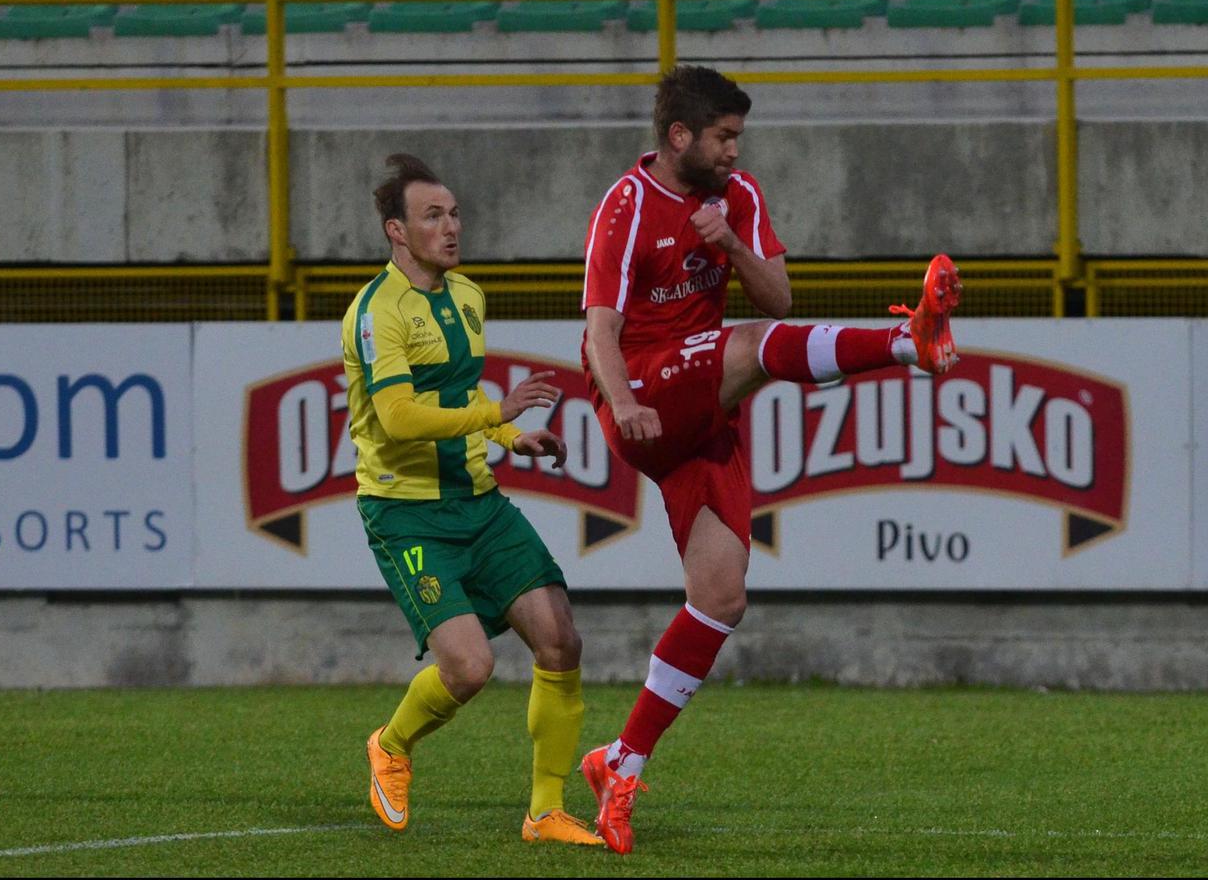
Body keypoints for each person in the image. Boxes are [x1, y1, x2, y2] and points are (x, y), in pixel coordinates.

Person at [577, 65, 962, 854]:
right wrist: (622, 404)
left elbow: (779, 298)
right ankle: (907, 340)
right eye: (722, 137)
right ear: (679, 136)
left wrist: (728, 243)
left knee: (720, 599)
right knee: (753, 347)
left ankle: (620, 764)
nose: (733, 151)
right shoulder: (626, 205)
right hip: (642, 390)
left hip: (704, 405)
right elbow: (600, 332)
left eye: (738, 137)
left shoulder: (739, 197)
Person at [341, 153, 603, 847]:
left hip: (480, 504)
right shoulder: (376, 312)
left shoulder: (467, 295)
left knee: (561, 640)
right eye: (433, 216)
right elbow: (399, 418)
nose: (451, 227)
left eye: (455, 214)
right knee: (469, 667)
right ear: (397, 231)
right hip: (407, 514)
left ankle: (545, 812)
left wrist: (512, 435)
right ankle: (391, 745)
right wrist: (496, 413)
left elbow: (458, 397)